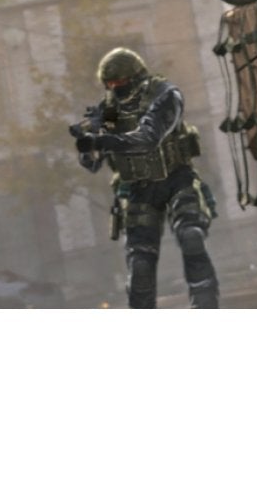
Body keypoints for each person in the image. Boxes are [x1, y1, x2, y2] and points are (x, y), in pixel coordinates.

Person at [73, 48, 220, 308]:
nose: (115, 88)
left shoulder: (165, 94)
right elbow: (93, 163)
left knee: (191, 237)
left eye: (120, 82)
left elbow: (149, 138)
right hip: (138, 188)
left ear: (136, 77)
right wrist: (88, 144)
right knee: (140, 262)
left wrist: (101, 140)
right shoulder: (110, 108)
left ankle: (206, 307)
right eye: (110, 84)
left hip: (176, 177)